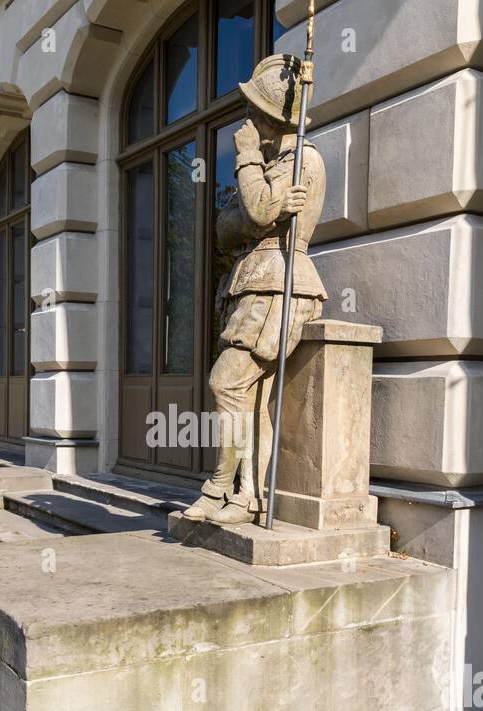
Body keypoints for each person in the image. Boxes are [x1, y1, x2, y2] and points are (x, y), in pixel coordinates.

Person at [183, 53, 327, 526]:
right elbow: (229, 226)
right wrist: (254, 195)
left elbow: (261, 212)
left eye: (256, 111)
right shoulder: (275, 163)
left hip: (279, 284)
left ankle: (221, 487)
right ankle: (248, 495)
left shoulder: (302, 158)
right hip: (257, 285)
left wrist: (247, 162)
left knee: (225, 382)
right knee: (247, 395)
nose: (248, 121)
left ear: (273, 116)